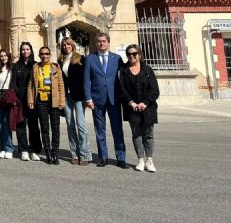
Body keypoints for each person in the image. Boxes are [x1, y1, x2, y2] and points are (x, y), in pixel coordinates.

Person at [84, 32, 127, 168]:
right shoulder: (90, 59)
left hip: (114, 99)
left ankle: (121, 158)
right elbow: (86, 81)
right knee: (99, 130)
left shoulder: (117, 58)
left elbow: (123, 80)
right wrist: (88, 98)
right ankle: (103, 157)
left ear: (108, 43)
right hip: (97, 99)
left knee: (117, 129)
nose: (101, 43)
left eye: (104, 41)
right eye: (99, 41)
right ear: (96, 43)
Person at [119, 44, 160, 173]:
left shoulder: (147, 70)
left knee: (148, 135)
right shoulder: (123, 71)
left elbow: (155, 90)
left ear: (139, 54)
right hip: (132, 108)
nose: (131, 56)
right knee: (136, 134)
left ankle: (150, 160)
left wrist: (145, 102)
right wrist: (131, 102)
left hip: (147, 107)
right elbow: (122, 90)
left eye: (134, 54)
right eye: (129, 54)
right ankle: (140, 160)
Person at [27, 46, 65, 165]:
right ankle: (48, 152)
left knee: (55, 128)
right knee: (44, 128)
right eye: (42, 54)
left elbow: (61, 85)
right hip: (41, 99)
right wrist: (30, 100)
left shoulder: (55, 67)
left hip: (53, 99)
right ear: (39, 55)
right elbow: (30, 85)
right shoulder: (35, 67)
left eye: (47, 54)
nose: (44, 56)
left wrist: (62, 101)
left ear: (50, 55)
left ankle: (55, 153)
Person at [59, 37, 91, 165]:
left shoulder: (81, 59)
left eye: (68, 44)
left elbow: (86, 79)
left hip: (78, 96)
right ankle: (74, 153)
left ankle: (85, 154)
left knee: (81, 125)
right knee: (70, 126)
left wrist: (87, 97)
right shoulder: (60, 60)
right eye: (64, 44)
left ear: (72, 45)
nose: (66, 46)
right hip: (66, 97)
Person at [12, 42, 39, 161]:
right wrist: (15, 97)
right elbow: (13, 83)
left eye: (27, 49)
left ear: (31, 50)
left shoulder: (36, 65)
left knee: (33, 125)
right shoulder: (16, 66)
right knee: (21, 125)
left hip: (33, 100)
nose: (25, 51)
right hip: (20, 100)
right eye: (23, 49)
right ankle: (23, 149)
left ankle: (34, 150)